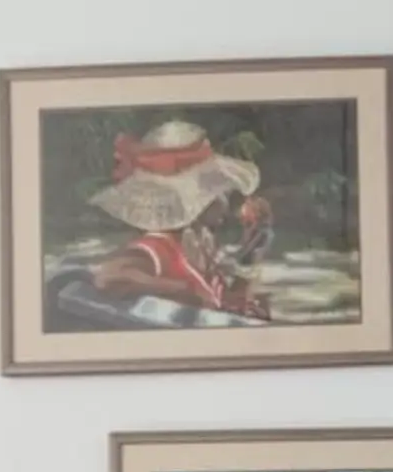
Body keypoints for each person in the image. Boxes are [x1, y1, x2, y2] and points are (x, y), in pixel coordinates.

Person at [71, 120, 273, 323]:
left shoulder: (201, 242)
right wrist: (183, 290)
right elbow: (110, 277)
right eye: (216, 189)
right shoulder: (157, 246)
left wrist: (250, 256)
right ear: (196, 198)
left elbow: (223, 304)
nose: (226, 199)